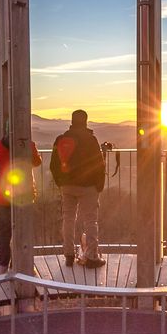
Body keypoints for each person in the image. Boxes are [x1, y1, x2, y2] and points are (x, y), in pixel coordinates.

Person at [50, 109, 106, 268]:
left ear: (72, 121)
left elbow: (53, 165)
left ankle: (68, 254)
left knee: (68, 218)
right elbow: (99, 164)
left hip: (67, 186)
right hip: (88, 186)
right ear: (85, 121)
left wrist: (60, 182)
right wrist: (99, 185)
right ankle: (92, 257)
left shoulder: (60, 139)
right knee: (90, 221)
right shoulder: (91, 139)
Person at [0, 133, 42, 276]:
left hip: (5, 194)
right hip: (24, 195)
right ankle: (19, 263)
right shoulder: (29, 145)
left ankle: (2, 265)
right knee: (22, 229)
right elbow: (37, 162)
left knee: (4, 231)